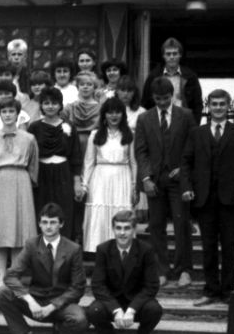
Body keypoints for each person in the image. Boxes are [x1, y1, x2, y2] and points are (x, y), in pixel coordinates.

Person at [181, 89, 234, 305]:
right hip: (204, 199)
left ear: (229, 106)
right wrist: (186, 187)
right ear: (208, 106)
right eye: (214, 104)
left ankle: (228, 292)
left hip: (230, 199)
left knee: (229, 247)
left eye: (222, 104)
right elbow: (186, 161)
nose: (217, 108)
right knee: (208, 247)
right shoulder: (197, 133)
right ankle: (210, 290)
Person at [0, 203, 88, 334]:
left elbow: (78, 287)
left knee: (80, 319)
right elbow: (11, 275)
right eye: (44, 222)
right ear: (39, 224)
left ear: (61, 224)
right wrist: (29, 300)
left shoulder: (73, 249)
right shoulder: (32, 244)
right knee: (1, 293)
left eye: (53, 222)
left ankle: (60, 331)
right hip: (36, 301)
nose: (48, 227)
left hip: (61, 304)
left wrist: (53, 306)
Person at [135, 76, 196, 287]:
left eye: (166, 98)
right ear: (153, 97)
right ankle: (161, 270)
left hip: (179, 180)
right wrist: (145, 179)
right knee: (156, 225)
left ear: (173, 96)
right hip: (155, 180)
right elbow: (140, 151)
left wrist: (184, 169)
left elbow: (193, 146)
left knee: (181, 224)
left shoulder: (186, 116)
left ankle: (184, 270)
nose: (162, 102)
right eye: (158, 99)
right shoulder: (144, 119)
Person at [86, 210, 162, 334]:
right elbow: (98, 285)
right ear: (113, 229)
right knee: (93, 311)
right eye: (118, 228)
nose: (122, 233)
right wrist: (115, 309)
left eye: (127, 228)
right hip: (112, 300)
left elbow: (151, 285)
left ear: (134, 230)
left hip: (137, 301)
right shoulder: (103, 250)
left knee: (154, 310)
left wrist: (132, 309)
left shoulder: (146, 250)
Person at [0, 98, 38, 281]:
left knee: (18, 229)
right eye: (4, 111)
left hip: (20, 182)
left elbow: (33, 166)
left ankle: (15, 274)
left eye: (11, 111)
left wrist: (27, 182)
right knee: (0, 229)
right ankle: (0, 277)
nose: (8, 115)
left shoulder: (28, 138)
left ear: (17, 114)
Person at [82, 97, 137, 253]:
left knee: (121, 214)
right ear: (104, 115)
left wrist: (134, 187)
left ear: (123, 115)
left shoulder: (130, 134)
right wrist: (84, 185)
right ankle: (97, 251)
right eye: (110, 112)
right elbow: (89, 162)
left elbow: (133, 163)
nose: (114, 116)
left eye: (117, 112)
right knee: (99, 215)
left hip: (122, 178)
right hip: (100, 179)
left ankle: (121, 250)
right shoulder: (95, 135)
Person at [28, 87, 83, 239]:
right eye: (46, 103)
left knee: (63, 210)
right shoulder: (34, 127)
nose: (50, 106)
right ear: (41, 106)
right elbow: (30, 156)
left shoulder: (69, 126)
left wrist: (77, 182)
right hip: (41, 174)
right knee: (41, 210)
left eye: (54, 103)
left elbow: (76, 156)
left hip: (63, 174)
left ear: (60, 105)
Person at [62, 70, 102, 244]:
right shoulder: (70, 107)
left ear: (95, 87)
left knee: (92, 192)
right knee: (74, 191)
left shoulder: (101, 107)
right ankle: (75, 233)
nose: (86, 87)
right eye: (82, 84)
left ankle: (89, 236)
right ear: (77, 87)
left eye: (90, 84)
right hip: (74, 148)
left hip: (94, 148)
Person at [141, 37, 203, 124]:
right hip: (159, 123)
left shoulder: (190, 77)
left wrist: (194, 127)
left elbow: (197, 105)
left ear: (180, 55)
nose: (172, 57)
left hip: (183, 122)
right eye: (168, 54)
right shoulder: (153, 76)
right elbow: (146, 103)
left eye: (175, 53)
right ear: (163, 56)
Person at [116, 75, 148, 221]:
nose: (126, 94)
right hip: (118, 152)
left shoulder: (141, 112)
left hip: (135, 151)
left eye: (129, 90)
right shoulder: (112, 109)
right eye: (122, 90)